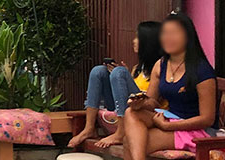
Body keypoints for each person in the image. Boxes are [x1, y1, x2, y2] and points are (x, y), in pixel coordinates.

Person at [102, 12, 217, 160]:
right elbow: (153, 101)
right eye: (165, 34)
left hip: (193, 130)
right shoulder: (161, 64)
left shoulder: (202, 70)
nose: (168, 38)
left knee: (130, 141)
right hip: (170, 118)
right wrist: (139, 103)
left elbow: (208, 118)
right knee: (131, 112)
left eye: (175, 33)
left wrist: (168, 127)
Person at [67, 21, 162, 149]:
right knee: (98, 71)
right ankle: (89, 128)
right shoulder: (137, 68)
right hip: (127, 104)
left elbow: (152, 103)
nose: (133, 41)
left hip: (144, 111)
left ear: (148, 42)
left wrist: (121, 74)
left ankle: (121, 132)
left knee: (119, 72)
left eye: (137, 37)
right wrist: (123, 76)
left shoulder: (160, 69)